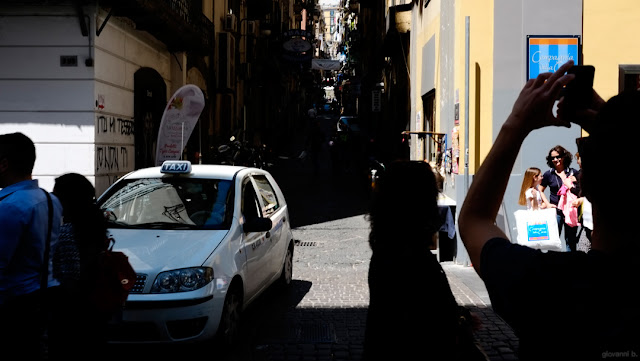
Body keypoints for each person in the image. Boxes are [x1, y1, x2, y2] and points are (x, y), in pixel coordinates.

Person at [458, 60, 640, 360]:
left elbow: (474, 221)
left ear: (589, 184)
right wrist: (617, 133)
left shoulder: (554, 286)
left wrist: (516, 124)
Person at [363, 160, 486, 361]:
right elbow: (428, 318)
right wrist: (459, 320)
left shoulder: (388, 249)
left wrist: (460, 315)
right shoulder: (411, 259)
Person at [0, 132, 63, 360]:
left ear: (4, 164)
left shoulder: (9, 206)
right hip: (46, 293)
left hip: (16, 304)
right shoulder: (49, 199)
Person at [48, 173, 110, 361]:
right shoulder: (95, 225)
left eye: (56, 195)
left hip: (72, 312)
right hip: (95, 307)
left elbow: (70, 277)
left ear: (67, 199)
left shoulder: (67, 231)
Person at [539, 145, 580, 251]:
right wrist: (547, 204)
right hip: (555, 212)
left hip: (570, 211)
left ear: (564, 157)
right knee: (553, 241)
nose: (555, 160)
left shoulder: (573, 172)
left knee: (570, 241)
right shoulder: (549, 174)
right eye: (552, 158)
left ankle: (569, 263)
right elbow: (540, 190)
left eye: (558, 157)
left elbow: (580, 190)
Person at [572, 151, 593, 248]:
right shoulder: (583, 173)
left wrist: (570, 187)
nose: (577, 162)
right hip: (587, 223)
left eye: (578, 159)